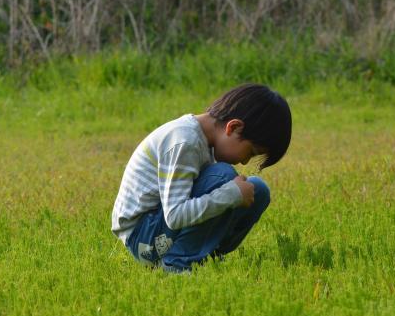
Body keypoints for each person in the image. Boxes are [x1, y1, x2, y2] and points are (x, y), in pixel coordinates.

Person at [111, 83, 292, 272]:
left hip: (158, 228)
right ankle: (177, 265)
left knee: (258, 189)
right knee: (224, 176)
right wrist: (231, 194)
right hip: (143, 239)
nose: (245, 162)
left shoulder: (205, 141)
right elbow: (175, 215)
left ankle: (206, 256)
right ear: (234, 127)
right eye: (251, 152)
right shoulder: (185, 141)